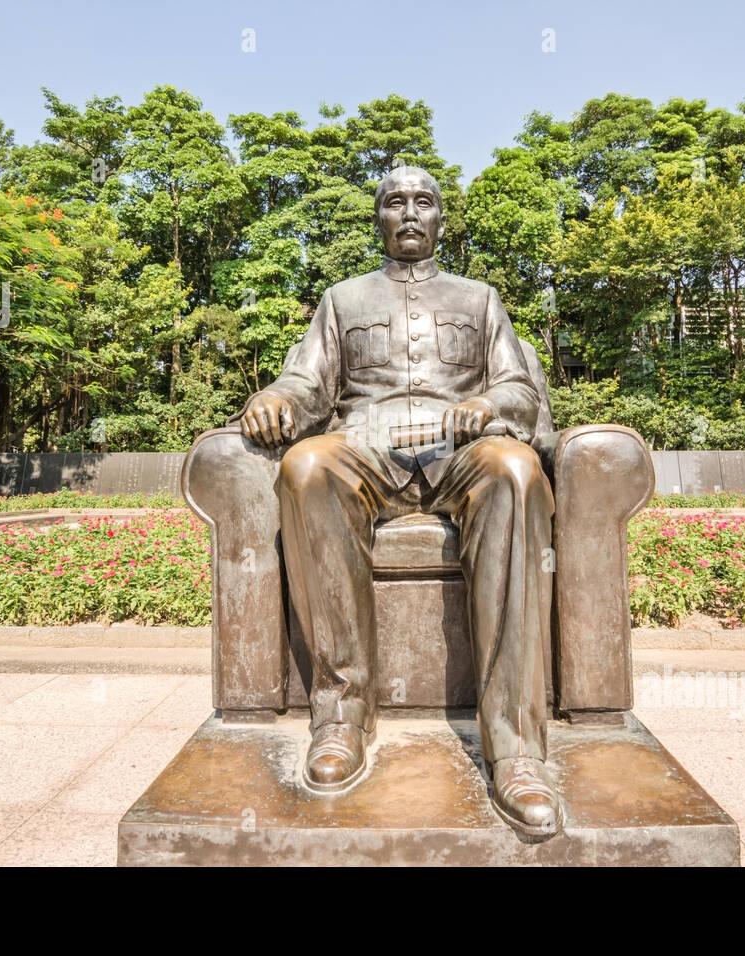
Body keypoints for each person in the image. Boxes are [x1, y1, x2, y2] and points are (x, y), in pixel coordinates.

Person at [234, 166, 559, 835]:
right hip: (369, 446)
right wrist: (272, 398)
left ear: (442, 220)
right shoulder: (342, 299)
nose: (409, 213)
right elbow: (306, 383)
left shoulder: (479, 299)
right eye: (394, 203)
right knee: (307, 464)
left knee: (517, 470)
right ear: (378, 219)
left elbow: (520, 392)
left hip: (459, 448)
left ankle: (516, 749)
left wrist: (487, 404)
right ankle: (342, 718)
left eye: (424, 203)